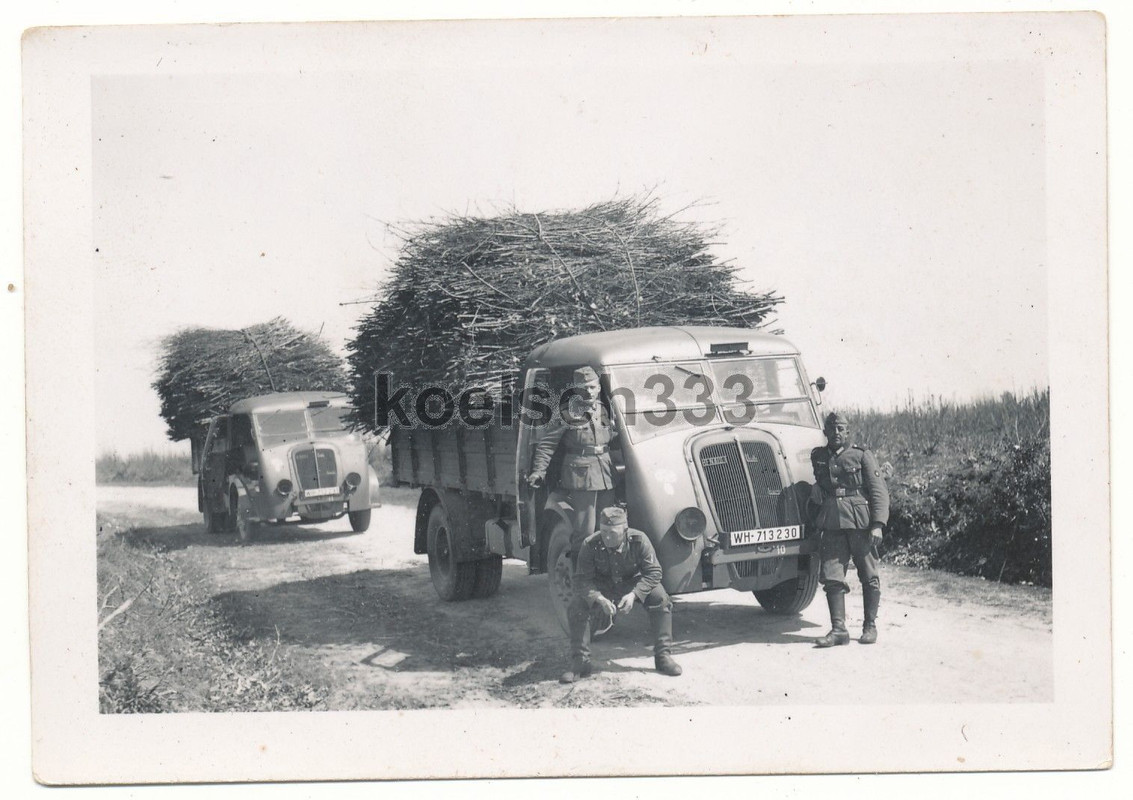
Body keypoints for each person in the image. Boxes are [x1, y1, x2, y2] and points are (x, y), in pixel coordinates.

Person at [560, 507, 682, 682]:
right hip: (603, 586)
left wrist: (634, 594)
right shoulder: (590, 544)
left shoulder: (639, 540)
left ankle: (663, 657)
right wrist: (598, 598)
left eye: (612, 532)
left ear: (625, 531)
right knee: (577, 605)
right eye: (603, 531)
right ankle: (581, 662)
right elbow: (581, 580)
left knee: (660, 599)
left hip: (630, 583)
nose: (607, 537)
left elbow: (654, 572)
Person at [809, 411, 890, 646]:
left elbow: (878, 491)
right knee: (832, 576)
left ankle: (869, 626)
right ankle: (838, 630)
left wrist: (877, 525)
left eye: (841, 429)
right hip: (832, 522)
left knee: (869, 575)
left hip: (860, 524)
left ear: (847, 431)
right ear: (825, 432)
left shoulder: (861, 455)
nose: (837, 433)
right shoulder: (819, 457)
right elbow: (824, 484)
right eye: (832, 429)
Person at [526, 366, 616, 554]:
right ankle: (580, 576)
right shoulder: (568, 412)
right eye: (584, 388)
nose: (589, 392)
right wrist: (539, 471)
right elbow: (547, 444)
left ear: (599, 387)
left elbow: (613, 437)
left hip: (605, 472)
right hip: (581, 475)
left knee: (608, 526)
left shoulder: (605, 409)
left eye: (592, 387)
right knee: (585, 530)